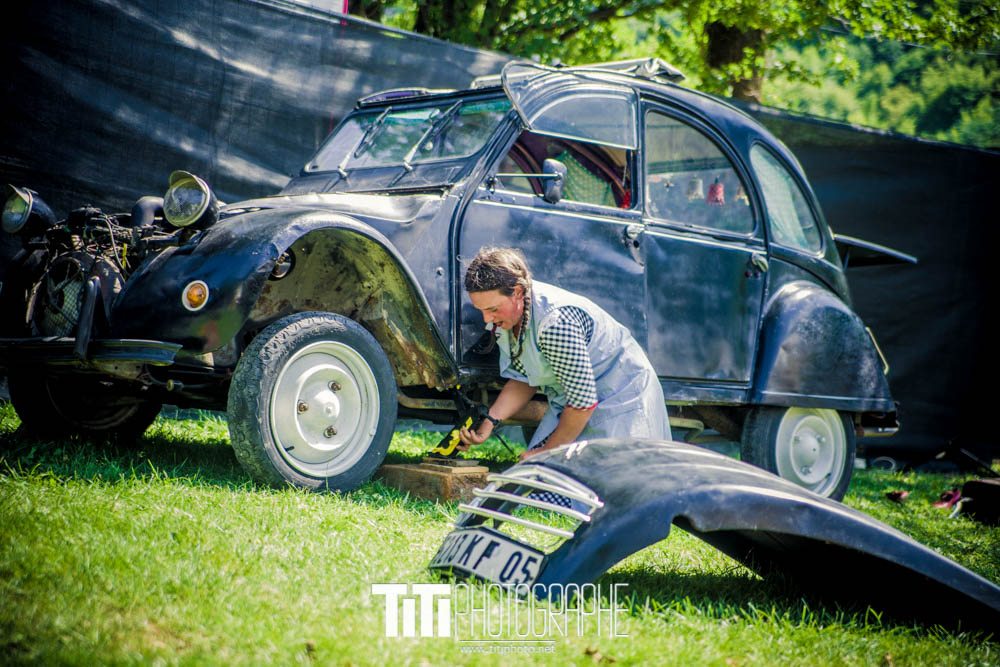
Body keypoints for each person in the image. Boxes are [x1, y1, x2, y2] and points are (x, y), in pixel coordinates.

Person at [458, 246, 671, 460]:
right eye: (481, 310)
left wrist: (544, 452)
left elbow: (582, 403)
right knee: (541, 480)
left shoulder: (555, 324)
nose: (486, 319)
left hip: (622, 400)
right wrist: (488, 424)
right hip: (577, 404)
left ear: (518, 292)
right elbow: (527, 378)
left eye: (493, 309)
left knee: (610, 484)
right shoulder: (514, 317)